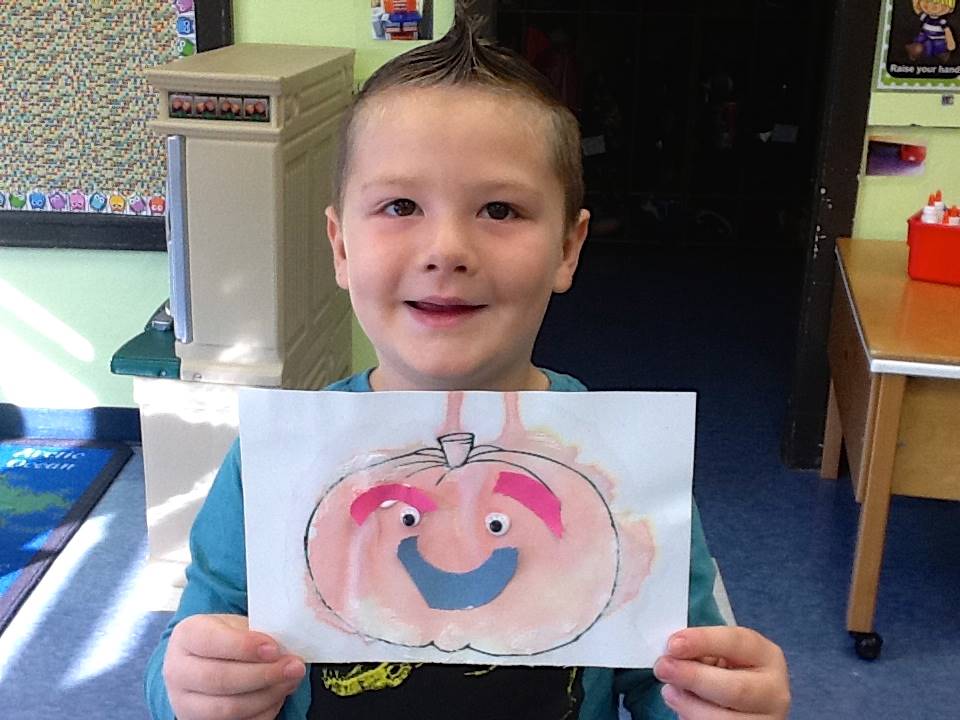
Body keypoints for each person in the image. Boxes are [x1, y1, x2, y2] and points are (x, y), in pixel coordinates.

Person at [145, 12, 791, 720]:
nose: (447, 248)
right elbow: (194, 647)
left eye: (500, 210)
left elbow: (673, 674)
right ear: (340, 246)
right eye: (399, 206)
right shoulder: (277, 463)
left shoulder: (619, 468)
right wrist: (192, 687)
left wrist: (724, 701)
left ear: (568, 249)